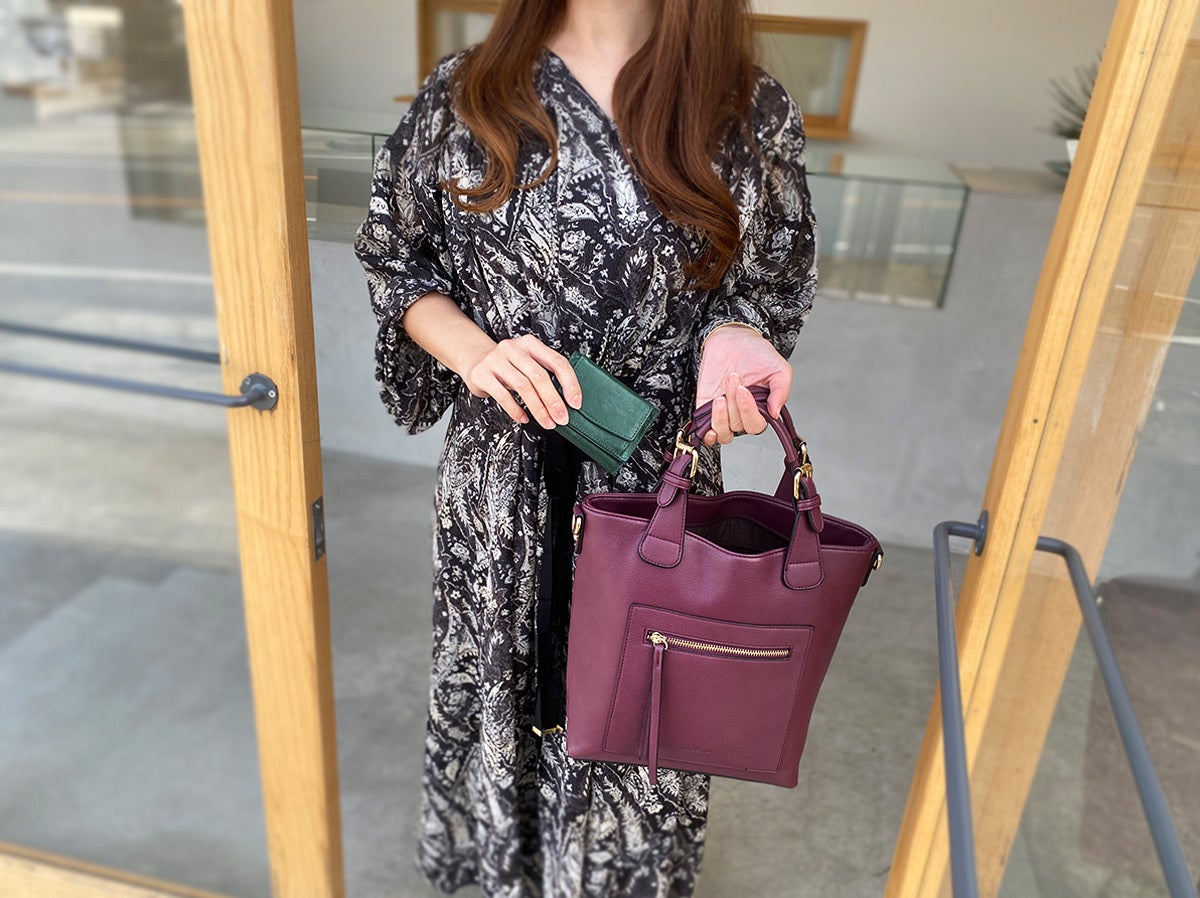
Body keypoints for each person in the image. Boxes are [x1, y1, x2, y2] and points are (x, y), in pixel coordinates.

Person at [353, 0, 817, 894]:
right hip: (502, 476)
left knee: (645, 710)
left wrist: (737, 335)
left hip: (653, 477)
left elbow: (767, 282)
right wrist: (477, 354)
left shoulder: (744, 108)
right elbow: (396, 262)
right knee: (502, 688)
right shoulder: (468, 89)